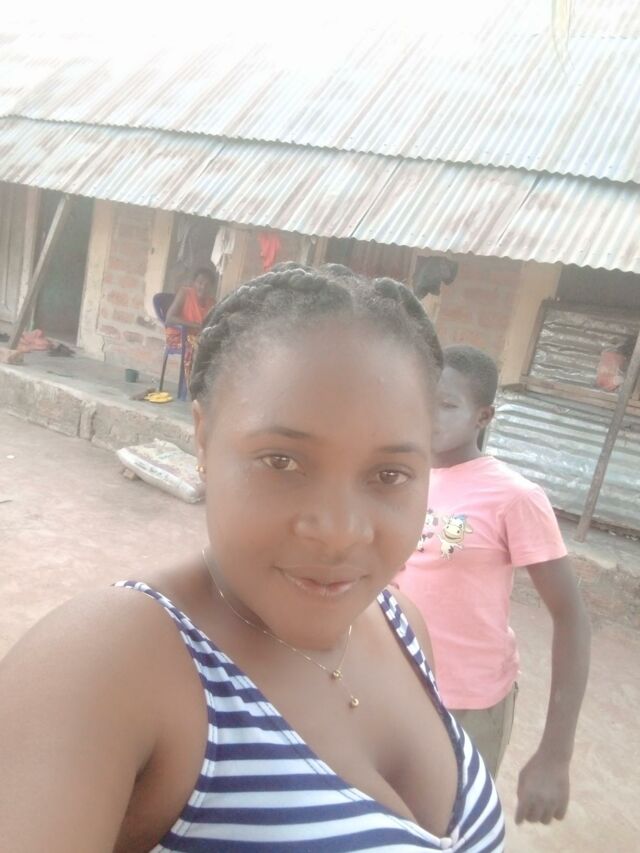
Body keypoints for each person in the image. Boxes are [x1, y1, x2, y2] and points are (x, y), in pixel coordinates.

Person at [0, 268, 505, 852]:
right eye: (281, 462)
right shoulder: (112, 661)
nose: (339, 533)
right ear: (203, 436)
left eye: (390, 474)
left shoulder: (403, 626)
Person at [396, 344, 591, 826]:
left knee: (451, 829)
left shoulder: (513, 497)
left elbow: (570, 616)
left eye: (446, 404)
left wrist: (555, 754)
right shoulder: (397, 477)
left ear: (483, 416)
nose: (428, 416)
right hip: (389, 687)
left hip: (467, 706)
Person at [165, 266, 218, 384]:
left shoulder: (212, 303)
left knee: (217, 350)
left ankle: (206, 385)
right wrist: (195, 325)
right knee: (197, 349)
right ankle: (189, 385)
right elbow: (169, 318)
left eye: (207, 285)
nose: (203, 287)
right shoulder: (185, 293)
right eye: (200, 283)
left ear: (211, 288)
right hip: (179, 336)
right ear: (194, 283)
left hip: (198, 338)